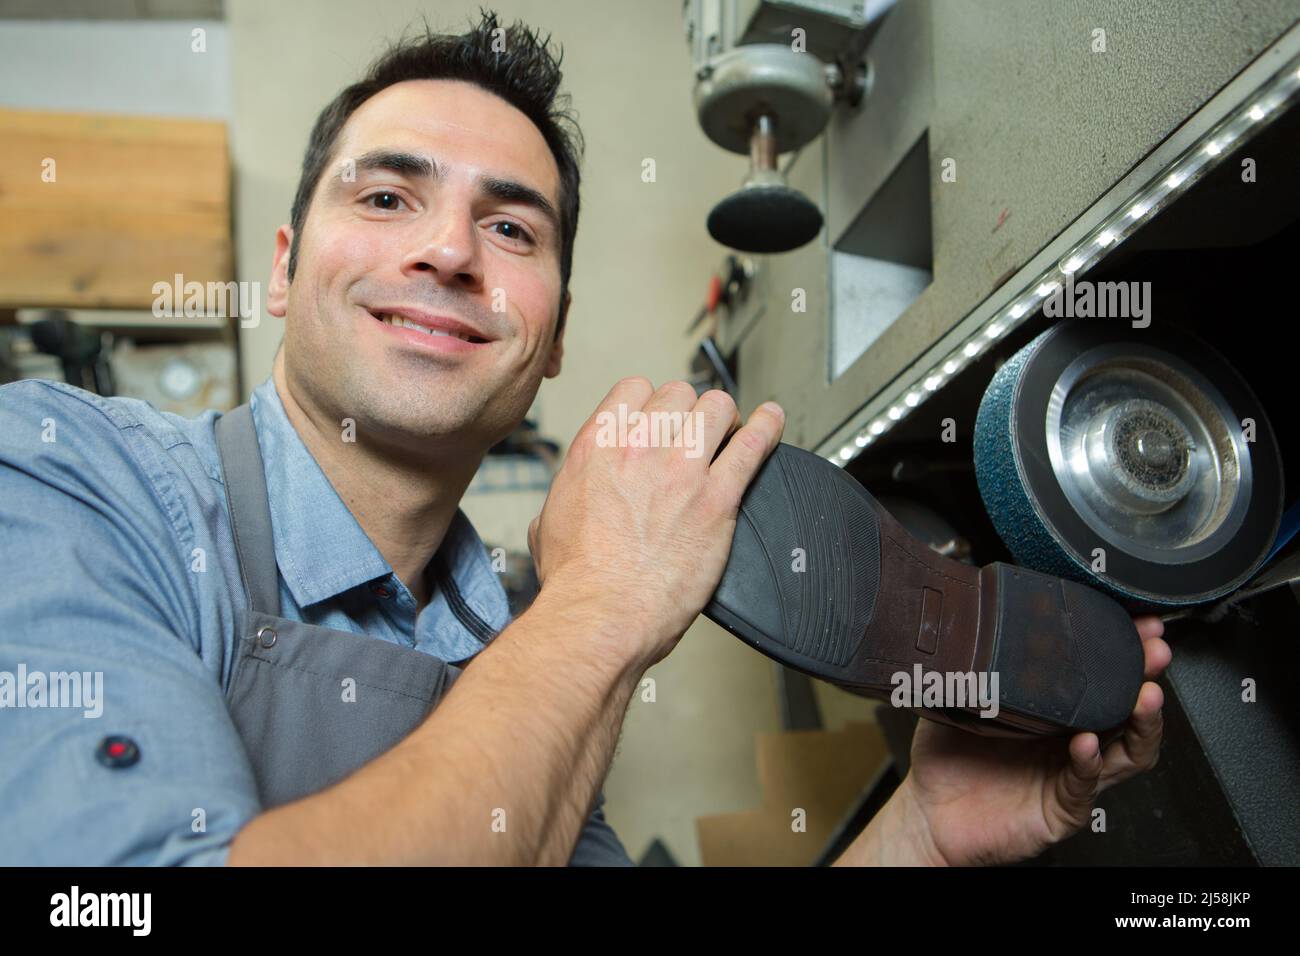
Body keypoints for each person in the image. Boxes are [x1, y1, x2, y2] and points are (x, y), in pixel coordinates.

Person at [0, 10, 1168, 866]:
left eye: (511, 224)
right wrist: (607, 604)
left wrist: (916, 834)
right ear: (285, 267)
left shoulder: (512, 645)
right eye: (386, 197)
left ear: (552, 334)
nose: (448, 251)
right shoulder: (64, 474)